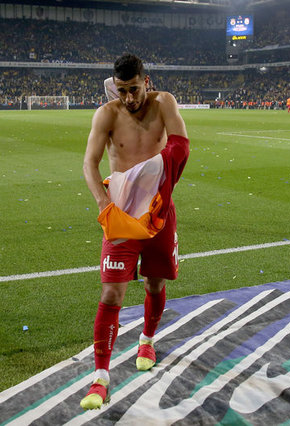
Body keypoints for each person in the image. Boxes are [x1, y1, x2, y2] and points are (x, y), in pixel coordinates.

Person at [81, 53, 189, 410]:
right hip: (121, 215)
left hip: (158, 214)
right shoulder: (107, 114)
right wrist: (103, 203)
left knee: (155, 285)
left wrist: (160, 179)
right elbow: (90, 163)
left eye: (134, 89)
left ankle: (147, 340)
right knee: (111, 293)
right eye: (122, 90)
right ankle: (100, 377)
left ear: (147, 82)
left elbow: (181, 145)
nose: (128, 98)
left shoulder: (164, 103)